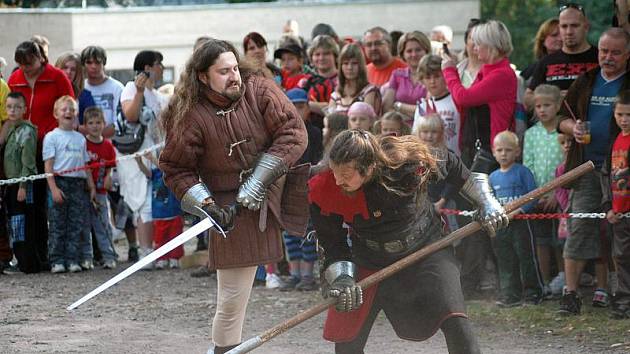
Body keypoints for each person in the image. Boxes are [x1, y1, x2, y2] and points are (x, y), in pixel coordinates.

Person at [159, 39, 307, 353]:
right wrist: (207, 205)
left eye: (235, 68)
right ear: (202, 76)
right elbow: (176, 168)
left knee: (336, 219)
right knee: (231, 299)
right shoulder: (189, 114)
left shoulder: (260, 90)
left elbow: (292, 132)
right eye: (223, 71)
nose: (234, 76)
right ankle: (224, 350)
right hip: (230, 208)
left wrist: (257, 180)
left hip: (281, 187)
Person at [309, 130, 508, 354]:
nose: (337, 180)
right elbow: (331, 239)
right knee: (346, 339)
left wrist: (486, 202)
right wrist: (342, 279)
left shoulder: (407, 163)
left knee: (456, 321)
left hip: (425, 248)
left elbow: (453, 164)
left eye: (346, 173)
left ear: (369, 167)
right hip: (369, 258)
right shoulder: (324, 185)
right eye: (335, 171)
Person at [557, 27, 630, 315]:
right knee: (579, 227)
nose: (607, 57)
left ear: (627, 54)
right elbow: (561, 115)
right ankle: (570, 294)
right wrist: (570, 128)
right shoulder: (586, 79)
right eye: (603, 51)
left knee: (621, 233)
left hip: (622, 168)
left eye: (615, 52)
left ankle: (621, 295)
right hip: (586, 166)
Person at [8, 40, 74, 272]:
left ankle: (51, 253)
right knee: (27, 205)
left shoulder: (57, 77)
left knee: (48, 205)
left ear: (41, 58)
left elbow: (68, 107)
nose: (25, 69)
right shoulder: (15, 78)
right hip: (23, 151)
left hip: (50, 149)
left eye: (29, 63)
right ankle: (30, 256)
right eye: (21, 64)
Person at [442, 20, 516, 167]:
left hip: (492, 152)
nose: (474, 49)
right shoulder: (488, 71)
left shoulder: (501, 74)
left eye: (478, 44)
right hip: (474, 147)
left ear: (490, 45)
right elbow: (461, 103)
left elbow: (463, 98)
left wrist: (449, 71)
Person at [118, 50, 167, 267]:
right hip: (134, 152)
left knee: (152, 200)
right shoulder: (130, 87)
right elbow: (130, 115)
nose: (162, 68)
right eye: (159, 64)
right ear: (147, 67)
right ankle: (146, 252)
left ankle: (151, 250)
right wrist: (138, 91)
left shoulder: (157, 95)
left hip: (153, 152)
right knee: (142, 202)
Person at [489, 131, 544, 307]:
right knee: (505, 259)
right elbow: (490, 201)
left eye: (508, 150)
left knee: (526, 257)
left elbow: (534, 196)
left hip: (521, 223)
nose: (504, 154)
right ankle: (510, 295)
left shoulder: (523, 172)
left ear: (517, 152)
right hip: (501, 226)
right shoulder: (493, 177)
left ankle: (533, 294)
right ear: (493, 152)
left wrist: (518, 211)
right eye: (500, 150)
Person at [43, 96, 96, 274]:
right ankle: (57, 260)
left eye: (71, 109)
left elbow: (85, 165)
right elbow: (48, 167)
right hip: (59, 183)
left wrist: (91, 186)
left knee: (76, 224)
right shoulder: (51, 137)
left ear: (76, 114)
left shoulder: (80, 139)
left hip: (78, 184)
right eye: (64, 109)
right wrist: (54, 189)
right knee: (58, 224)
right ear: (56, 113)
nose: (68, 112)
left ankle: (73, 259)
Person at [522, 84, 564, 298]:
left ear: (558, 105)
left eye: (547, 105)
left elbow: (568, 164)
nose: (542, 110)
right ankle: (545, 282)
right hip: (537, 197)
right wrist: (536, 194)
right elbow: (528, 165)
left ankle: (564, 278)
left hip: (561, 197)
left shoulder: (564, 131)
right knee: (541, 240)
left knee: (561, 238)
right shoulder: (531, 134)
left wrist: (556, 194)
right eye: (538, 106)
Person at [279, 88, 322, 292]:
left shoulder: (314, 133)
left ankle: (307, 275)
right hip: (287, 188)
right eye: (292, 105)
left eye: (301, 106)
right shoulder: (281, 132)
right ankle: (294, 273)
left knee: (307, 232)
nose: (297, 110)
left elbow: (316, 160)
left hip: (308, 186)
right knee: (289, 233)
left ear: (308, 109)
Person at [524, 4, 599, 110]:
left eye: (575, 26)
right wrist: (553, 97)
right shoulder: (547, 61)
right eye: (564, 26)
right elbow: (528, 98)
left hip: (591, 122)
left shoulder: (600, 57)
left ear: (586, 27)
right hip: (555, 124)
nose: (569, 32)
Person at [1, 92, 39, 273]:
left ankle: (27, 263)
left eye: (17, 107)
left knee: (23, 225)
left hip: (22, 185)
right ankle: (20, 260)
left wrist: (23, 186)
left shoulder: (27, 131)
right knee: (15, 224)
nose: (12, 110)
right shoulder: (10, 130)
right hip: (11, 183)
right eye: (9, 107)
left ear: (24, 109)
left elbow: (28, 163)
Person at [603, 89, 630, 319]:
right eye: (620, 114)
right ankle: (623, 300)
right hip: (619, 211)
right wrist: (609, 206)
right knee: (621, 256)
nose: (624, 119)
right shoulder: (616, 140)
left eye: (628, 115)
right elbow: (609, 175)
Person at [84, 106, 118, 270]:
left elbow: (111, 166)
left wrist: (108, 177)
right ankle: (87, 257)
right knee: (84, 226)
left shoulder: (108, 146)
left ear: (104, 124)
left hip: (101, 193)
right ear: (85, 125)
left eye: (98, 122)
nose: (95, 126)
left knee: (103, 225)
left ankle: (109, 256)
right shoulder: (82, 143)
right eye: (91, 123)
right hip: (84, 192)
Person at [413, 55, 461, 155]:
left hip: (455, 160)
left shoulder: (456, 101)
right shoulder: (422, 106)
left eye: (437, 76)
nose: (432, 81)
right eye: (428, 77)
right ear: (422, 80)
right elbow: (415, 137)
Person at [382, 31, 430, 119]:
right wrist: (414, 112)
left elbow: (427, 110)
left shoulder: (432, 76)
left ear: (426, 51)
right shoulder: (397, 75)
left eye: (418, 50)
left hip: (424, 128)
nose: (414, 54)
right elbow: (386, 107)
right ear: (402, 54)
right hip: (399, 128)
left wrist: (398, 105)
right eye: (409, 51)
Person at [329, 43, 381, 115]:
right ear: (340, 66)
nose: (350, 67)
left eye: (354, 63)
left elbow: (366, 120)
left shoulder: (369, 91)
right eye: (346, 63)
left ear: (361, 65)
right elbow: (329, 119)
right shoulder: (336, 94)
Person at [81, 46, 121, 138]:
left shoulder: (117, 88)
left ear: (104, 63)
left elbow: (119, 122)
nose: (93, 66)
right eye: (89, 62)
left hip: (111, 144)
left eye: (97, 62)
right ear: (83, 65)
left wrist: (98, 137)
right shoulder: (80, 87)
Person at [301, 35, 339, 120]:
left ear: (335, 56)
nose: (321, 58)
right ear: (311, 58)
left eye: (326, 54)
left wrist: (306, 105)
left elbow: (337, 109)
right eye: (317, 54)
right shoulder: (305, 81)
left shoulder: (344, 79)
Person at [55, 52, 96, 125]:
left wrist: (76, 128)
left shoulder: (85, 96)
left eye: (73, 69)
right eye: (65, 67)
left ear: (78, 73)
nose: (68, 72)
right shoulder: (49, 91)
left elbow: (93, 124)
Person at [520, 18, 562, 83]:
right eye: (554, 35)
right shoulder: (531, 71)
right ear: (543, 40)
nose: (560, 39)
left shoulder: (577, 64)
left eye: (563, 35)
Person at [457, 19, 483, 89]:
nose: (476, 42)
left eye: (480, 38)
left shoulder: (494, 71)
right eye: (472, 38)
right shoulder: (457, 70)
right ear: (466, 42)